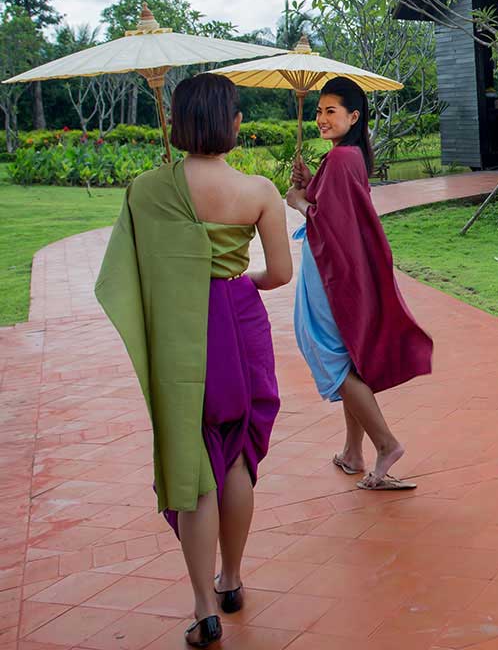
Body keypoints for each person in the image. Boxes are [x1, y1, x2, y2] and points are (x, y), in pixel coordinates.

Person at [95, 74, 292, 648]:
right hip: (239, 320)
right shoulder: (258, 191)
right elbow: (278, 274)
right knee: (235, 460)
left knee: (194, 459)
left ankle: (205, 607)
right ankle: (231, 579)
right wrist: (237, 281)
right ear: (233, 124)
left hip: (181, 333)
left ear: (178, 124)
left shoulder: (145, 189)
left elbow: (128, 277)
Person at [287, 76, 432, 491]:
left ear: (353, 116)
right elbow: (334, 207)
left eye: (330, 111)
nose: (320, 119)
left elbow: (328, 221)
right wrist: (308, 182)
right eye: (318, 111)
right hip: (339, 268)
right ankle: (353, 451)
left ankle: (385, 443)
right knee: (345, 355)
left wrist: (297, 201)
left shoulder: (341, 159)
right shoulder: (348, 157)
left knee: (325, 352)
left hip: (329, 270)